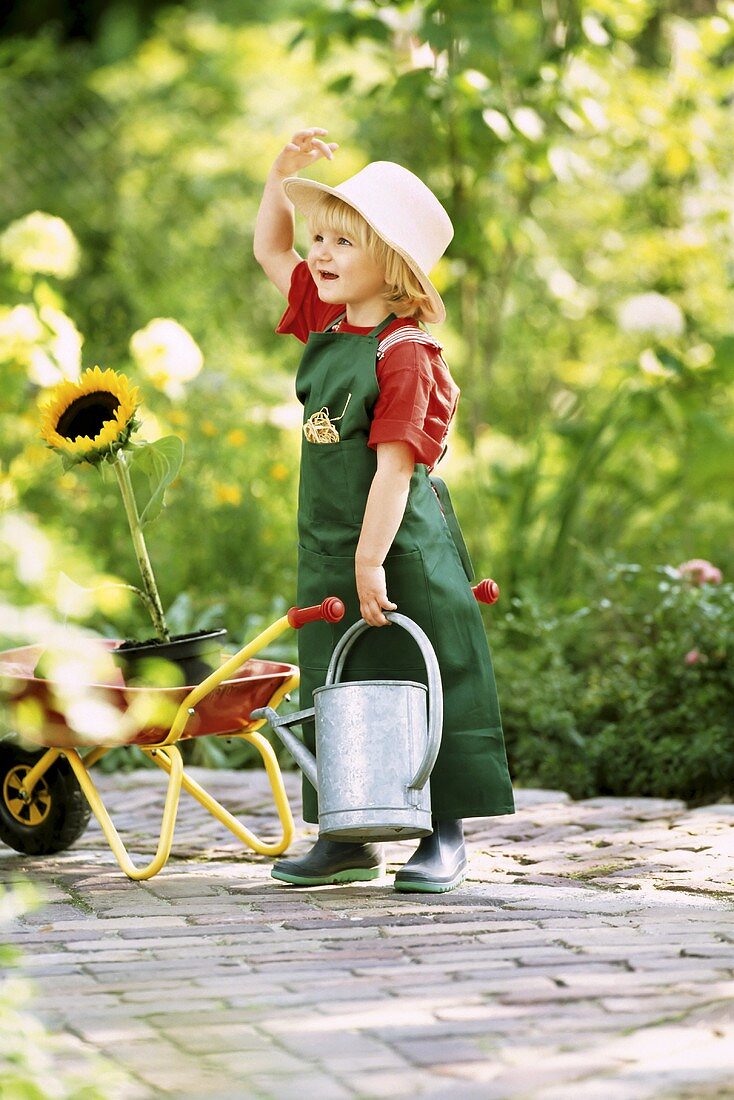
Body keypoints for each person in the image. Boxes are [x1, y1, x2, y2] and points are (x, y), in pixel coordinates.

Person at [253, 127, 515, 893]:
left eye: (343, 242)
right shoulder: (328, 320)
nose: (320, 253)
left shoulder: (403, 353)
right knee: (341, 679)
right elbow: (271, 252)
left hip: (400, 549)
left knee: (422, 672)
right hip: (333, 543)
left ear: (393, 268)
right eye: (321, 237)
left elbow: (395, 469)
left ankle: (445, 834)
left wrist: (371, 560)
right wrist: (277, 176)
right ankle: (350, 833)